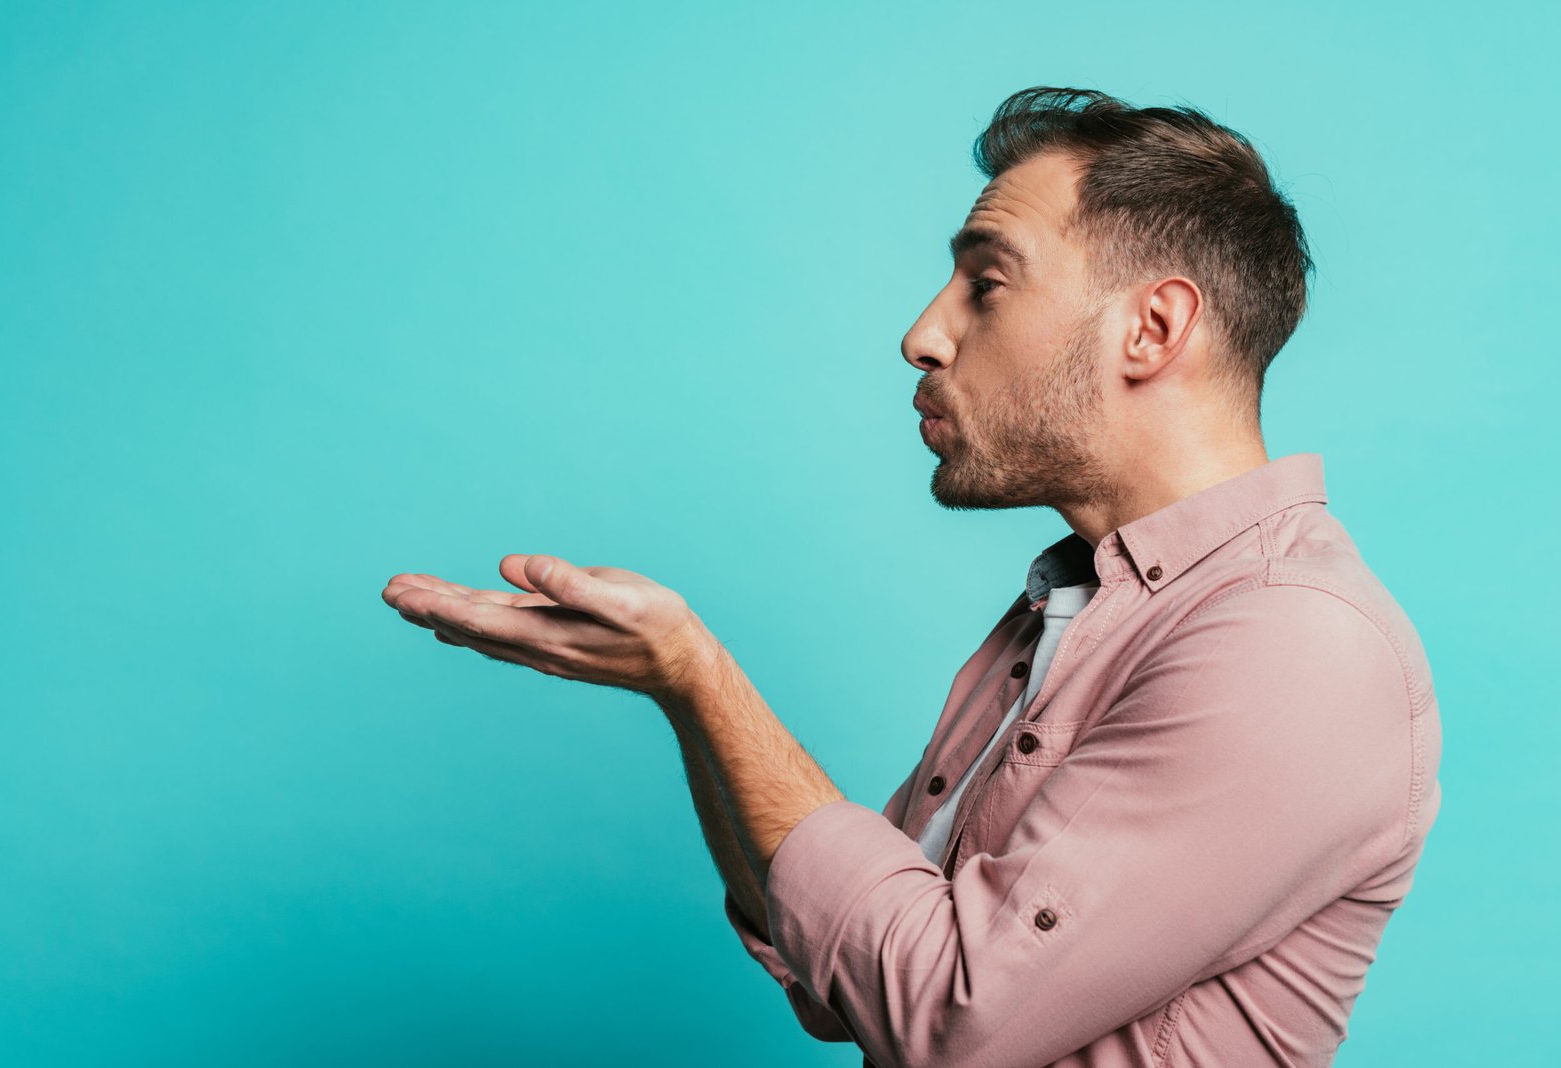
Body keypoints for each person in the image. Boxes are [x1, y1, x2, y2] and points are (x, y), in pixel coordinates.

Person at [381, 86, 1442, 1067]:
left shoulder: (1293, 644)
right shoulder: (1070, 607)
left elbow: (948, 1018)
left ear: (1151, 329)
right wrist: (682, 696)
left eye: (985, 283)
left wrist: (704, 677)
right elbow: (838, 976)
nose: (922, 334)